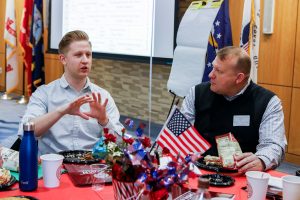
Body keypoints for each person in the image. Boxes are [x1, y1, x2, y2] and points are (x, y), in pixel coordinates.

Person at [181, 46, 286, 172]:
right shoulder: (197, 93)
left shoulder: (268, 102)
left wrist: (261, 160)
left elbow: (273, 145)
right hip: (199, 170)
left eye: (218, 71)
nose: (210, 75)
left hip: (242, 174)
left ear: (239, 78)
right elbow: (179, 133)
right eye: (213, 67)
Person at [18, 30, 123, 155]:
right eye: (78, 55)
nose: (85, 60)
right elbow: (24, 132)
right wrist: (60, 112)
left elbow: (121, 144)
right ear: (63, 59)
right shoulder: (44, 93)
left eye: (88, 55)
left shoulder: (102, 96)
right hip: (55, 168)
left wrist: (104, 120)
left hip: (91, 167)